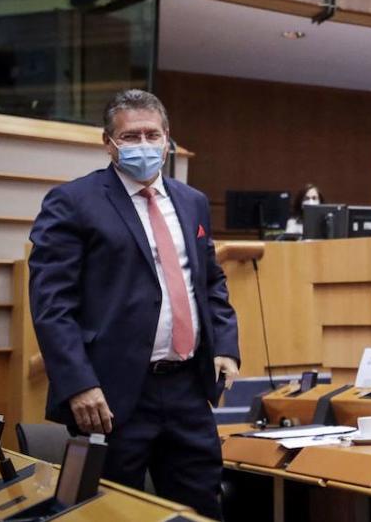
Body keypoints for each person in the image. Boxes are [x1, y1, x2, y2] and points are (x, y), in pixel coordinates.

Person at [28, 89, 240, 519]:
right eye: (130, 136)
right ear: (108, 143)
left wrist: (225, 346)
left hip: (186, 389)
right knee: (113, 513)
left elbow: (211, 281)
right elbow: (52, 304)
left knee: (200, 509)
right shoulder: (72, 202)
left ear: (167, 140)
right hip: (111, 396)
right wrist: (78, 383)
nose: (143, 144)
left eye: (152, 134)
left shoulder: (192, 201)